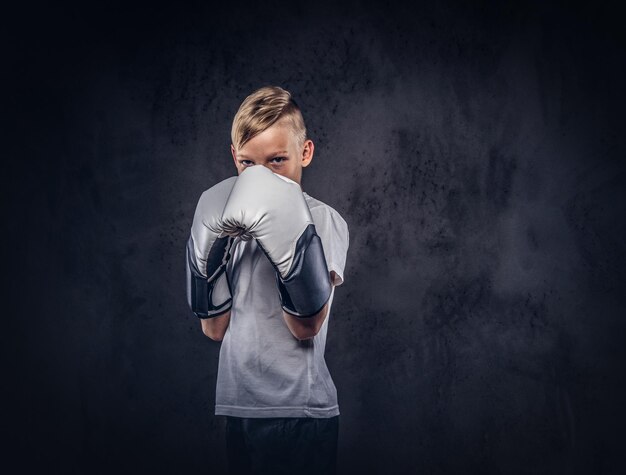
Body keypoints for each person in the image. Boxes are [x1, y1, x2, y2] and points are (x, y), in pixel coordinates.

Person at [185, 85, 349, 474]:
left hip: (298, 411)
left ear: (305, 152)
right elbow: (214, 330)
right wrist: (209, 255)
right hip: (238, 404)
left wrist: (281, 232)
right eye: (248, 165)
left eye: (277, 161)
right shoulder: (229, 223)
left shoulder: (321, 220)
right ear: (233, 158)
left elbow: (306, 326)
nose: (262, 178)